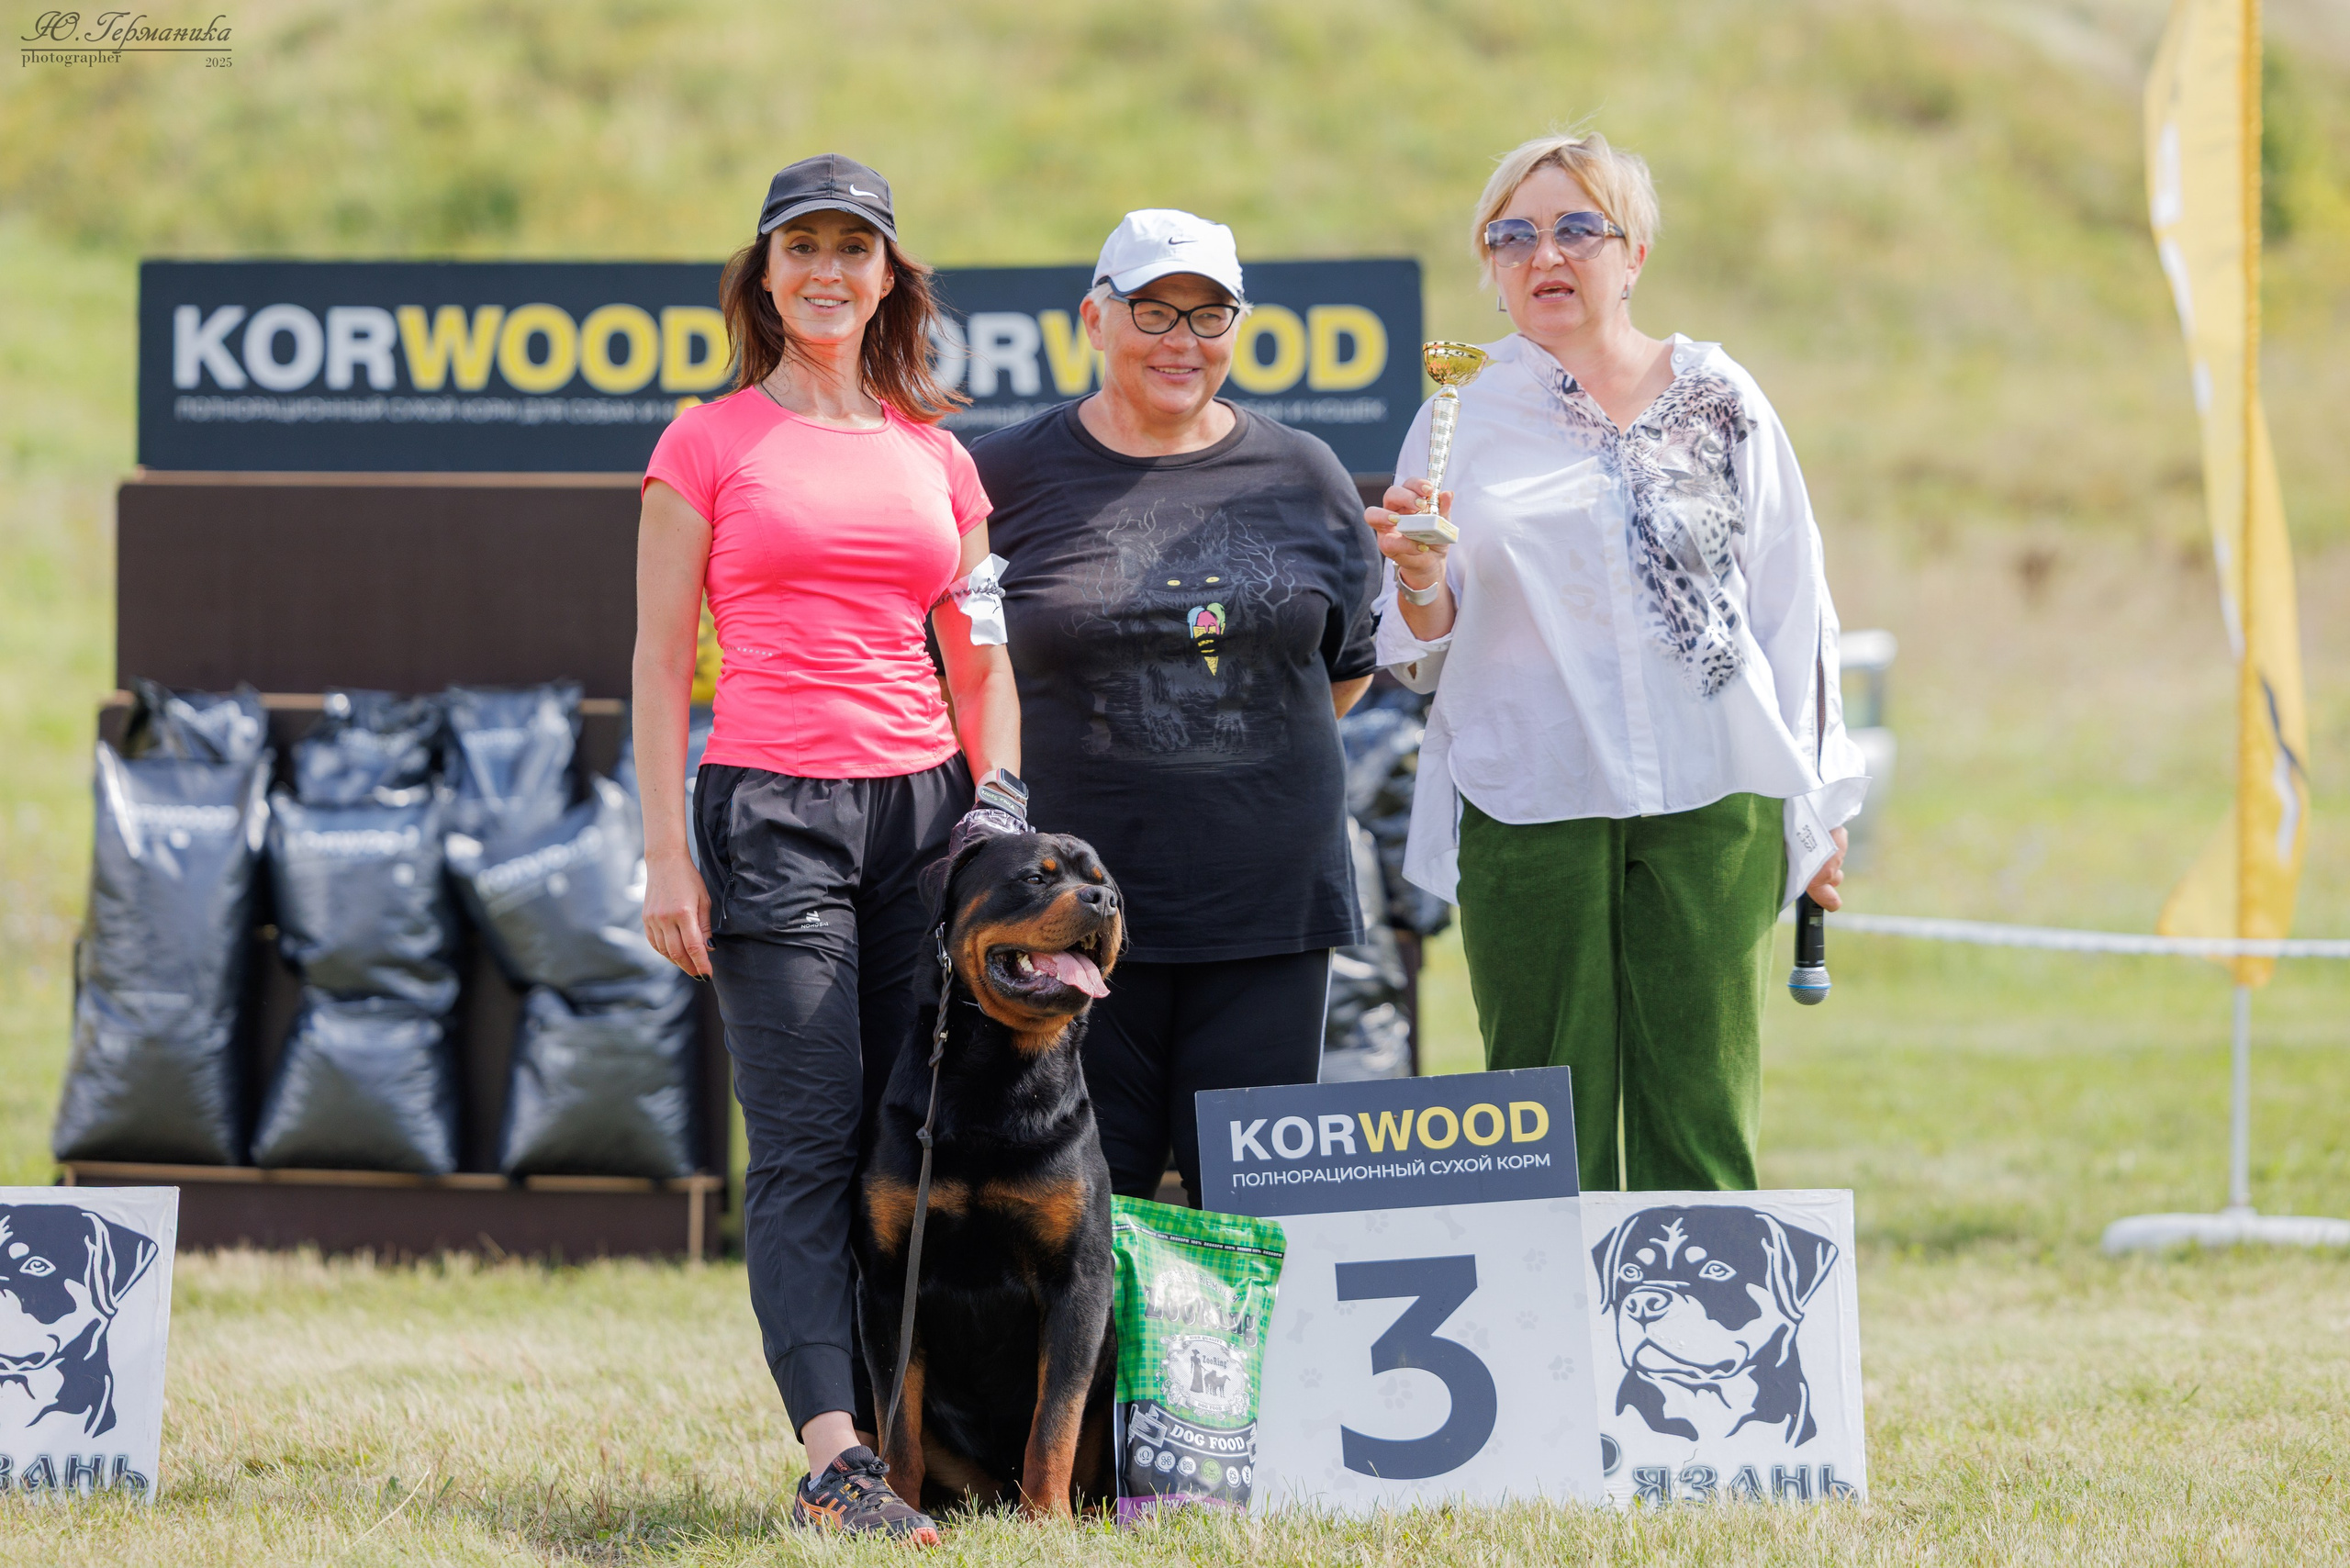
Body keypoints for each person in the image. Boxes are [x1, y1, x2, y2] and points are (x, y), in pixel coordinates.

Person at [633, 153, 1024, 1544]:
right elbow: (656, 661)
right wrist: (666, 855)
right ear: (763, 275)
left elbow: (982, 665)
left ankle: (908, 1431)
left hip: (924, 821)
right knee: (804, 1147)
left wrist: (1003, 809)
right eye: (801, 248)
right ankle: (834, 1460)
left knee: (897, 1145)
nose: (827, 273)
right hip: (770, 814)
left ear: (887, 280)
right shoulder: (706, 443)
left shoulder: (940, 456)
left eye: (853, 250)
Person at [1369, 132, 1868, 1195]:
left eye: (1575, 228)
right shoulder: (1458, 414)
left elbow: (1793, 608)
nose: (1544, 254)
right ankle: (1562, 1359)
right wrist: (1415, 578)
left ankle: (1704, 1354)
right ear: (1492, 270)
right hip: (1526, 790)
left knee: (1701, 1117)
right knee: (1541, 1128)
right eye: (1513, 236)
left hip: (1711, 789)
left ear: (1633, 252)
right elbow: (1416, 648)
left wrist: (1817, 810)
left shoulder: (1723, 395)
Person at [970, 209, 1382, 1205]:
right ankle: (1101, 1377)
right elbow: (963, 671)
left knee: (1254, 1214)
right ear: (1093, 320)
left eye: (1208, 315)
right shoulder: (999, 477)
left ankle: (1236, 1376)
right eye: (1152, 311)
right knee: (1084, 1212)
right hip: (1067, 913)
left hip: (1266, 913)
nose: (1180, 341)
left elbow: (1340, 671)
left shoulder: (1305, 474)